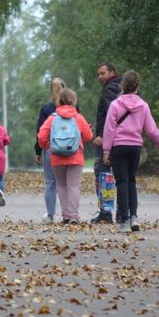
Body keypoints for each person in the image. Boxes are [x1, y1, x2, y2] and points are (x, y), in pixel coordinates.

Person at [102, 70, 159, 232]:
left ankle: (124, 220)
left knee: (122, 183)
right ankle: (134, 218)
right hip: (135, 147)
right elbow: (151, 130)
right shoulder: (143, 106)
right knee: (131, 181)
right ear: (137, 86)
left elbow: (109, 130)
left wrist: (106, 151)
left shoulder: (115, 105)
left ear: (123, 85)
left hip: (119, 147)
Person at [37, 88, 95, 224]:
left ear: (59, 101)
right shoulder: (78, 118)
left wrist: (47, 145)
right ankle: (74, 216)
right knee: (73, 186)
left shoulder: (52, 118)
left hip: (57, 156)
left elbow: (41, 136)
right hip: (75, 156)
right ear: (73, 101)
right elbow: (88, 137)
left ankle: (66, 216)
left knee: (61, 186)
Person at [92, 62, 123, 223]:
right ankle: (123, 212)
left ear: (112, 72)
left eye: (103, 73)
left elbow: (112, 116)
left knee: (103, 174)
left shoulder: (110, 89)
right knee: (122, 177)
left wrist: (102, 135)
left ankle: (105, 212)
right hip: (124, 139)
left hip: (107, 139)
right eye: (99, 74)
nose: (100, 77)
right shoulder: (124, 88)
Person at [34, 77, 65, 223]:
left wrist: (38, 151)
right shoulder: (73, 108)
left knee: (50, 183)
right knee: (67, 183)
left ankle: (51, 215)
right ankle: (69, 215)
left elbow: (40, 133)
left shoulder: (46, 109)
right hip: (70, 151)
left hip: (51, 150)